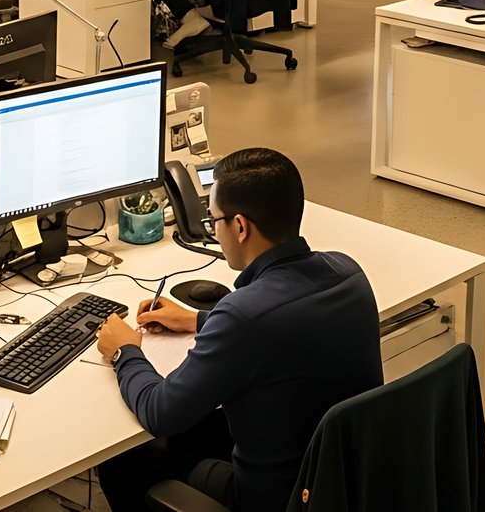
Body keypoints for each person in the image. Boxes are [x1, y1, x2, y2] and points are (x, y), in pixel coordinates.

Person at [93, 148, 382, 512]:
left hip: (275, 499)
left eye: (214, 219)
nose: (213, 229)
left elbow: (159, 412)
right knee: (205, 422)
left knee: (123, 461)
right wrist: (196, 320)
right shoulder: (349, 273)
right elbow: (283, 331)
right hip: (341, 480)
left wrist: (125, 351)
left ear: (241, 227)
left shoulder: (243, 316)